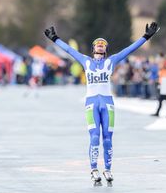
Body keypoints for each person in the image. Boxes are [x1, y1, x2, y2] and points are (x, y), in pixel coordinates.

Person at [44, 22, 159, 184]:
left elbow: (129, 50)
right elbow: (69, 50)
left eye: (103, 44)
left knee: (107, 138)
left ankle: (108, 169)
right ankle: (93, 169)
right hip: (91, 103)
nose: (100, 45)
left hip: (107, 103)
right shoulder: (85, 61)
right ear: (93, 48)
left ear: (105, 49)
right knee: (94, 137)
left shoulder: (111, 61)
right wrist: (55, 39)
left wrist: (146, 37)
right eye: (97, 44)